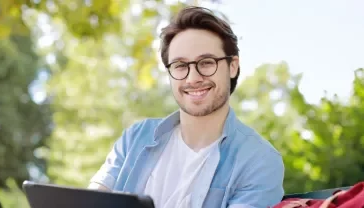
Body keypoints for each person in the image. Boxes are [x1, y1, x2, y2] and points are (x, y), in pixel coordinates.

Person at [88, 6, 284, 208]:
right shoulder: (135, 138)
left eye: (207, 62)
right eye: (180, 66)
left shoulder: (260, 161)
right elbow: (89, 202)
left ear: (232, 66)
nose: (193, 78)